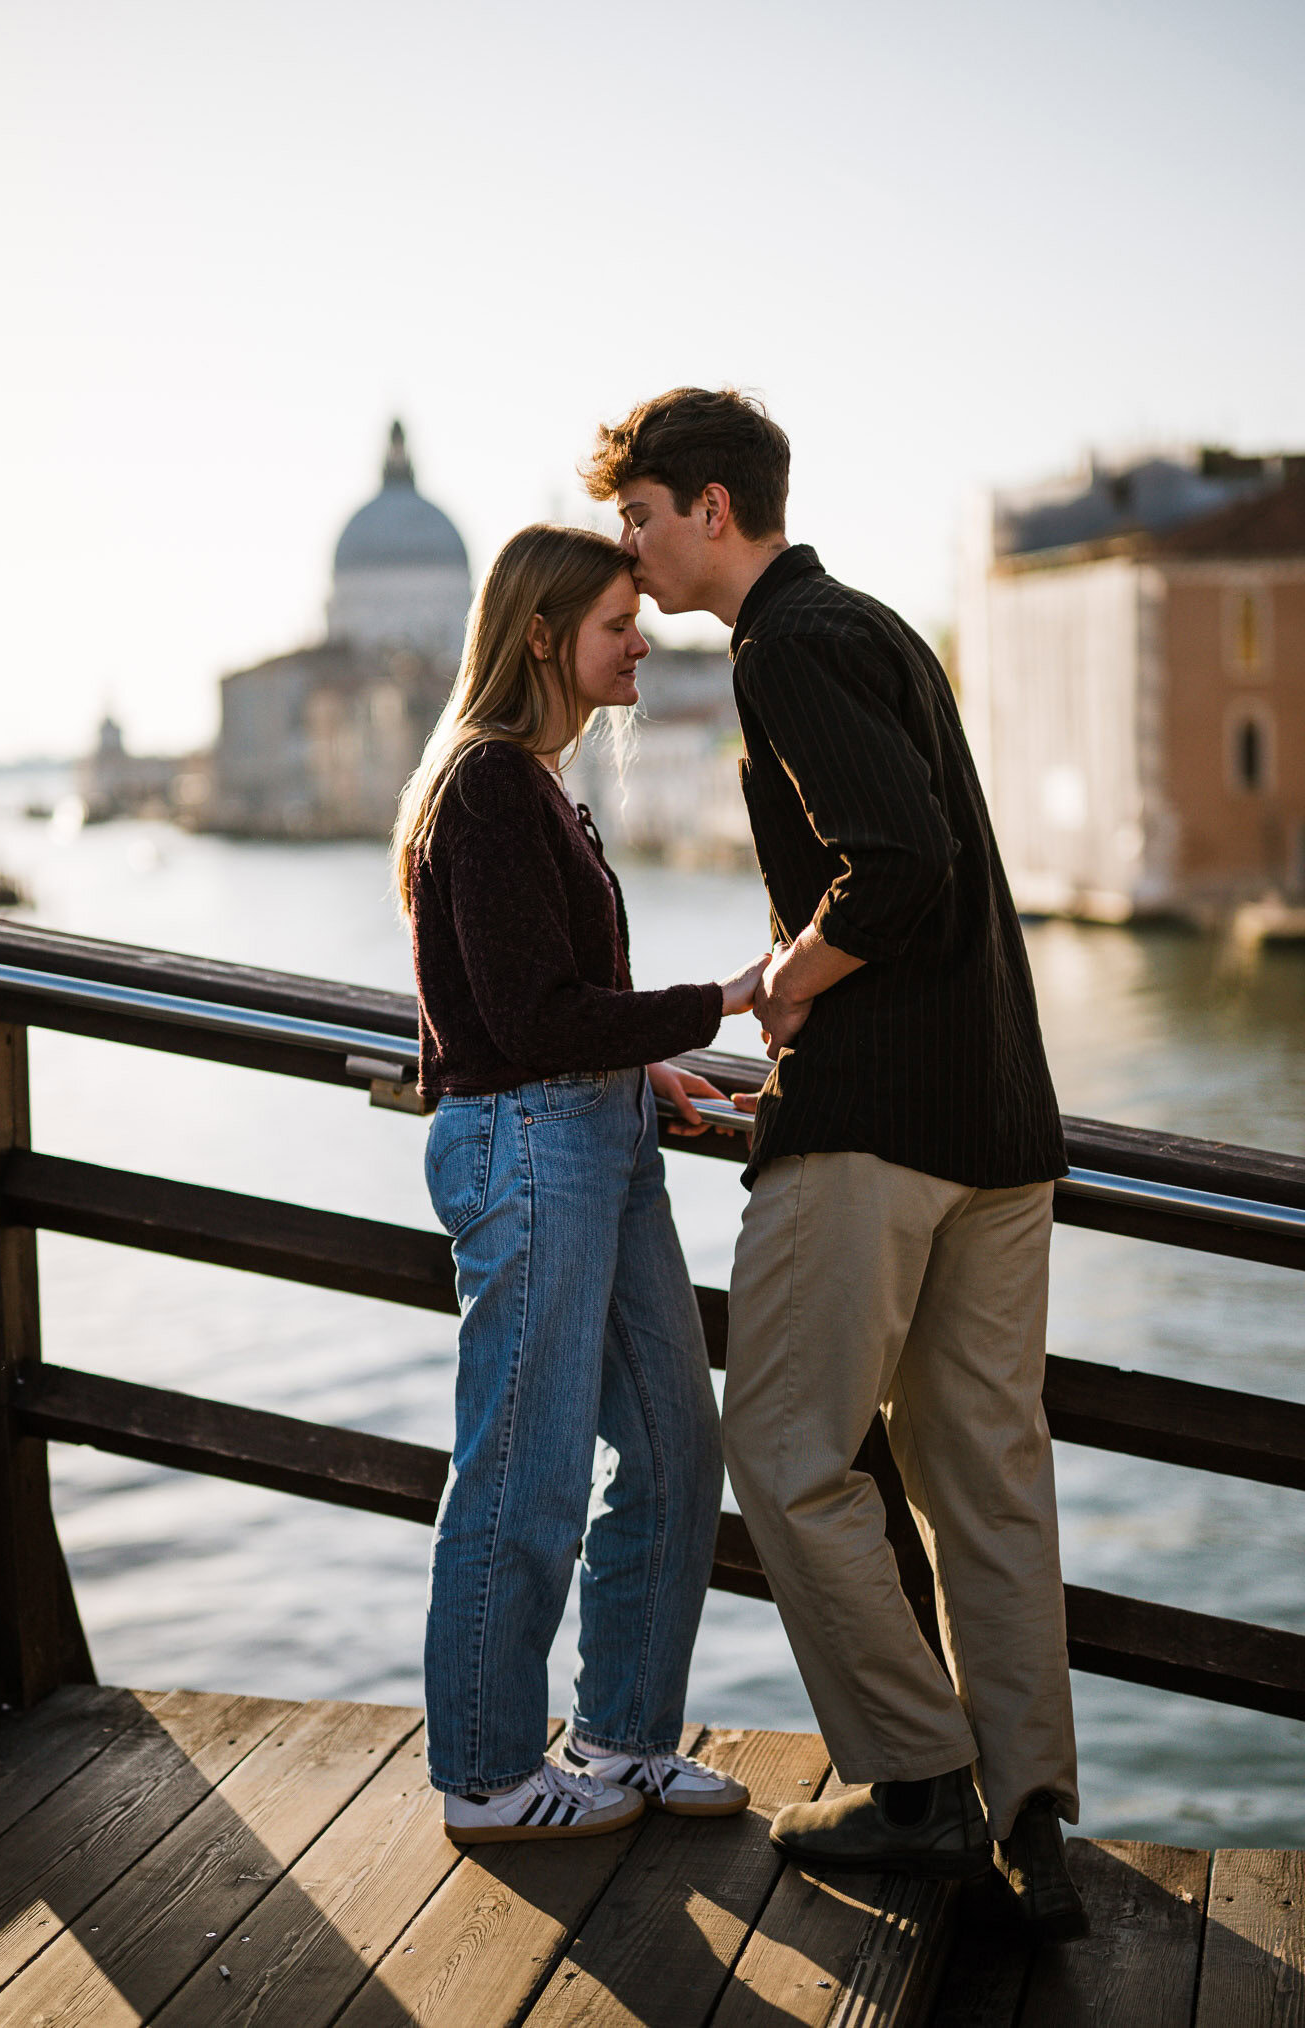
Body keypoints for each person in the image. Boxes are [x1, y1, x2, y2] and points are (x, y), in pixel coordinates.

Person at [582, 389, 1086, 1939]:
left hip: (877, 1123)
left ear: (714, 509)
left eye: (644, 517)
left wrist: (790, 978)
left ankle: (918, 1787)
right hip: (999, 1123)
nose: (635, 549)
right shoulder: (875, 628)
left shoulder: (782, 646)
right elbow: (933, 857)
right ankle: (1034, 1822)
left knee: (785, 1454)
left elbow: (904, 864)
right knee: (982, 1476)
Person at [392, 523, 767, 1844]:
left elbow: (546, 1004)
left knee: (676, 1442)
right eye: (618, 622)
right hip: (533, 1151)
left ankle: (618, 1739)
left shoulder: (539, 782)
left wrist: (639, 1065)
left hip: (596, 1134)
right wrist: (712, 1003)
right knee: (526, 1475)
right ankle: (489, 1775)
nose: (641, 639)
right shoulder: (489, 785)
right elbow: (527, 1016)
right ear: (544, 635)